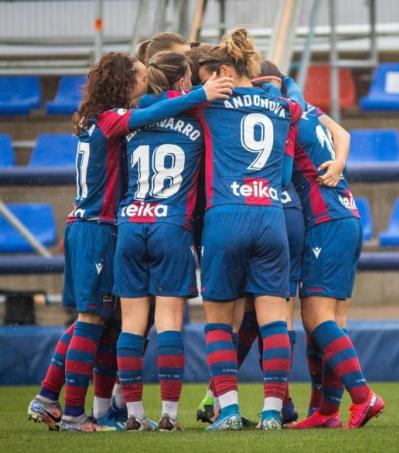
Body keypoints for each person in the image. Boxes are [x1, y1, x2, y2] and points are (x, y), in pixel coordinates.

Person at [27, 51, 233, 432]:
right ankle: (74, 411)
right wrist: (201, 94)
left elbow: (145, 116)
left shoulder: (100, 120)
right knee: (92, 321)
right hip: (105, 227)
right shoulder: (114, 120)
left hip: (109, 225)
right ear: (123, 83)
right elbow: (150, 114)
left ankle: (89, 405)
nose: (143, 79)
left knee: (107, 322)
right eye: (138, 75)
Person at [113, 50, 232, 432]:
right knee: (168, 324)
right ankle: (168, 416)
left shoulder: (133, 116)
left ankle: (133, 416)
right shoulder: (196, 119)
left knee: (131, 326)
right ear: (183, 82)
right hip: (171, 226)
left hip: (131, 225)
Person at [195, 27, 302, 431]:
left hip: (226, 214)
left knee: (220, 321)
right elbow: (295, 110)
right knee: (275, 319)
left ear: (224, 68)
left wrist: (201, 91)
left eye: (210, 75)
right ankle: (272, 412)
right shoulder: (283, 108)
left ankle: (228, 410)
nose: (206, 84)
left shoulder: (209, 105)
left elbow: (168, 104)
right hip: (270, 214)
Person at [278, 96, 384, 429]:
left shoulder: (283, 122)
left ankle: (363, 396)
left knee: (314, 316)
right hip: (349, 216)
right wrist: (338, 162)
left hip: (325, 222)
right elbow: (344, 133)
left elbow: (281, 175)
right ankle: (326, 412)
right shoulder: (308, 111)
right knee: (332, 320)